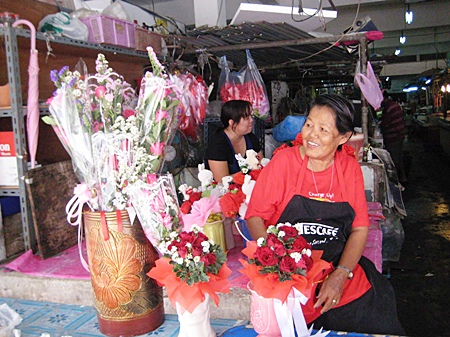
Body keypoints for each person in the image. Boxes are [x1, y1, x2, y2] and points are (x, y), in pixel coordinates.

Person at [245, 94, 405, 335]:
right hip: (290, 271)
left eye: (323, 129)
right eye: (309, 124)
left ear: (343, 137)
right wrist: (278, 263)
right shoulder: (284, 163)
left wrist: (341, 274)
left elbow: (360, 228)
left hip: (335, 264)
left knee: (376, 311)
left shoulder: (348, 167)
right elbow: (255, 216)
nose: (312, 135)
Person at [205, 100, 263, 182]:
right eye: (247, 118)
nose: (251, 120)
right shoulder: (218, 144)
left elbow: (261, 164)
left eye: (251, 116)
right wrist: (248, 175)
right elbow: (221, 180)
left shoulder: (251, 139)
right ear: (232, 123)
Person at [380, 91, 407, 185]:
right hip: (399, 135)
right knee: (399, 158)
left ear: (384, 98)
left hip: (394, 137)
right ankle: (403, 179)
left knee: (394, 160)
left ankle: (395, 183)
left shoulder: (389, 108)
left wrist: (380, 125)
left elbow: (386, 124)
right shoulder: (393, 105)